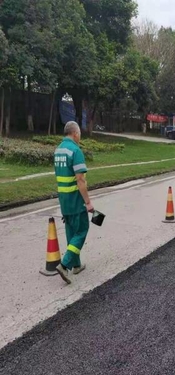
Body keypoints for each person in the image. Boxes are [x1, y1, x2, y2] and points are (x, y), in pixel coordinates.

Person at [54, 121, 94, 284]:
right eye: (80, 134)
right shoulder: (75, 151)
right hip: (76, 200)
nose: (80, 137)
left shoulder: (58, 150)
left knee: (71, 231)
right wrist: (88, 202)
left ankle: (76, 265)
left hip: (64, 200)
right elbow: (80, 179)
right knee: (82, 230)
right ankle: (65, 264)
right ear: (75, 133)